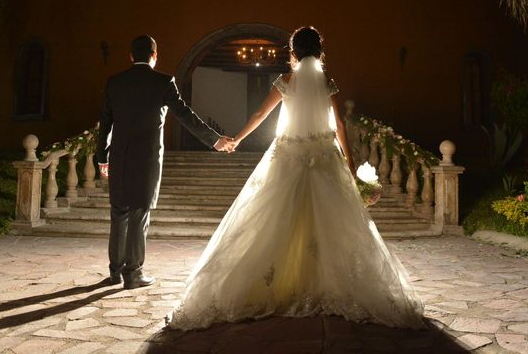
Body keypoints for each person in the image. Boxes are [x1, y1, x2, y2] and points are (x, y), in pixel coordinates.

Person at [168, 26, 424, 329]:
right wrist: (351, 164)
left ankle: (278, 285)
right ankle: (324, 283)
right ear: (319, 51)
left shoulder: (286, 81)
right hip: (325, 155)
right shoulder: (327, 83)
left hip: (288, 156)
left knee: (275, 220)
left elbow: (260, 115)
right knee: (331, 223)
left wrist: (237, 138)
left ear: (294, 51)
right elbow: (339, 124)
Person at [96, 35, 234, 290]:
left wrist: (102, 157)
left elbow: (105, 124)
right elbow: (185, 115)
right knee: (139, 214)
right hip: (147, 157)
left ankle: (115, 272)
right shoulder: (163, 82)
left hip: (120, 156)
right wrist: (214, 141)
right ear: (155, 55)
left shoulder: (114, 82)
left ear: (130, 56)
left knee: (118, 213)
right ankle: (133, 274)